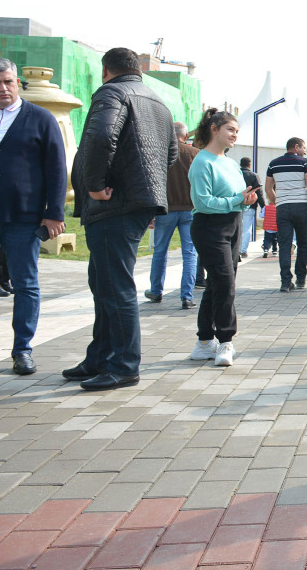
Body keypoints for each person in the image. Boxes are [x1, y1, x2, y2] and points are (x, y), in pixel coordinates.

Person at [65, 48, 177, 391]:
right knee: (103, 282)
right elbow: (170, 155)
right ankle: (100, 357)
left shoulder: (112, 92)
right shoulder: (158, 102)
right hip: (139, 201)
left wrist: (96, 186)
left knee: (114, 286)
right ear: (137, 69)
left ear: (105, 70)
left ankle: (124, 365)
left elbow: (101, 137)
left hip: (115, 202)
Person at [0, 57, 67, 375]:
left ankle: (22, 349)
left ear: (17, 83)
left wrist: (53, 213)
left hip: (24, 217)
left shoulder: (40, 119)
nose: (3, 88)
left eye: (8, 81)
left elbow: (56, 169)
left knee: (25, 284)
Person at [187, 109, 258, 367]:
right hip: (209, 228)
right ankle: (225, 341)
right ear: (214, 129)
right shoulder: (202, 162)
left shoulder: (230, 163)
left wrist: (245, 200)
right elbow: (202, 202)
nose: (234, 135)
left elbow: (238, 197)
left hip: (232, 225)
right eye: (230, 130)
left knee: (218, 284)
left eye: (237, 132)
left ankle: (204, 342)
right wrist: (237, 200)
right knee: (226, 284)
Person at [146, 122, 199, 309]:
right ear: (185, 137)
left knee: (160, 251)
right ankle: (187, 296)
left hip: (166, 209)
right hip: (190, 210)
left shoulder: (160, 153)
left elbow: (154, 183)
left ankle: (156, 291)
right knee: (190, 253)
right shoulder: (195, 154)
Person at [265, 137, 307, 292]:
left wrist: (278, 202)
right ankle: (301, 279)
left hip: (283, 208)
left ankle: (285, 282)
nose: (305, 151)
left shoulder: (273, 163)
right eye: (304, 148)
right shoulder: (304, 163)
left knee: (284, 245)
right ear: (296, 147)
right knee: (303, 243)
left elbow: (268, 188)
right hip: (302, 207)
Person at [237, 157, 265, 259]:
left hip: (237, 204)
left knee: (237, 227)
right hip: (251, 205)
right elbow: (259, 192)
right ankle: (243, 250)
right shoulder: (254, 175)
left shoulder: (236, 174)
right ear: (249, 165)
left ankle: (236, 248)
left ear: (240, 164)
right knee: (246, 228)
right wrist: (263, 206)